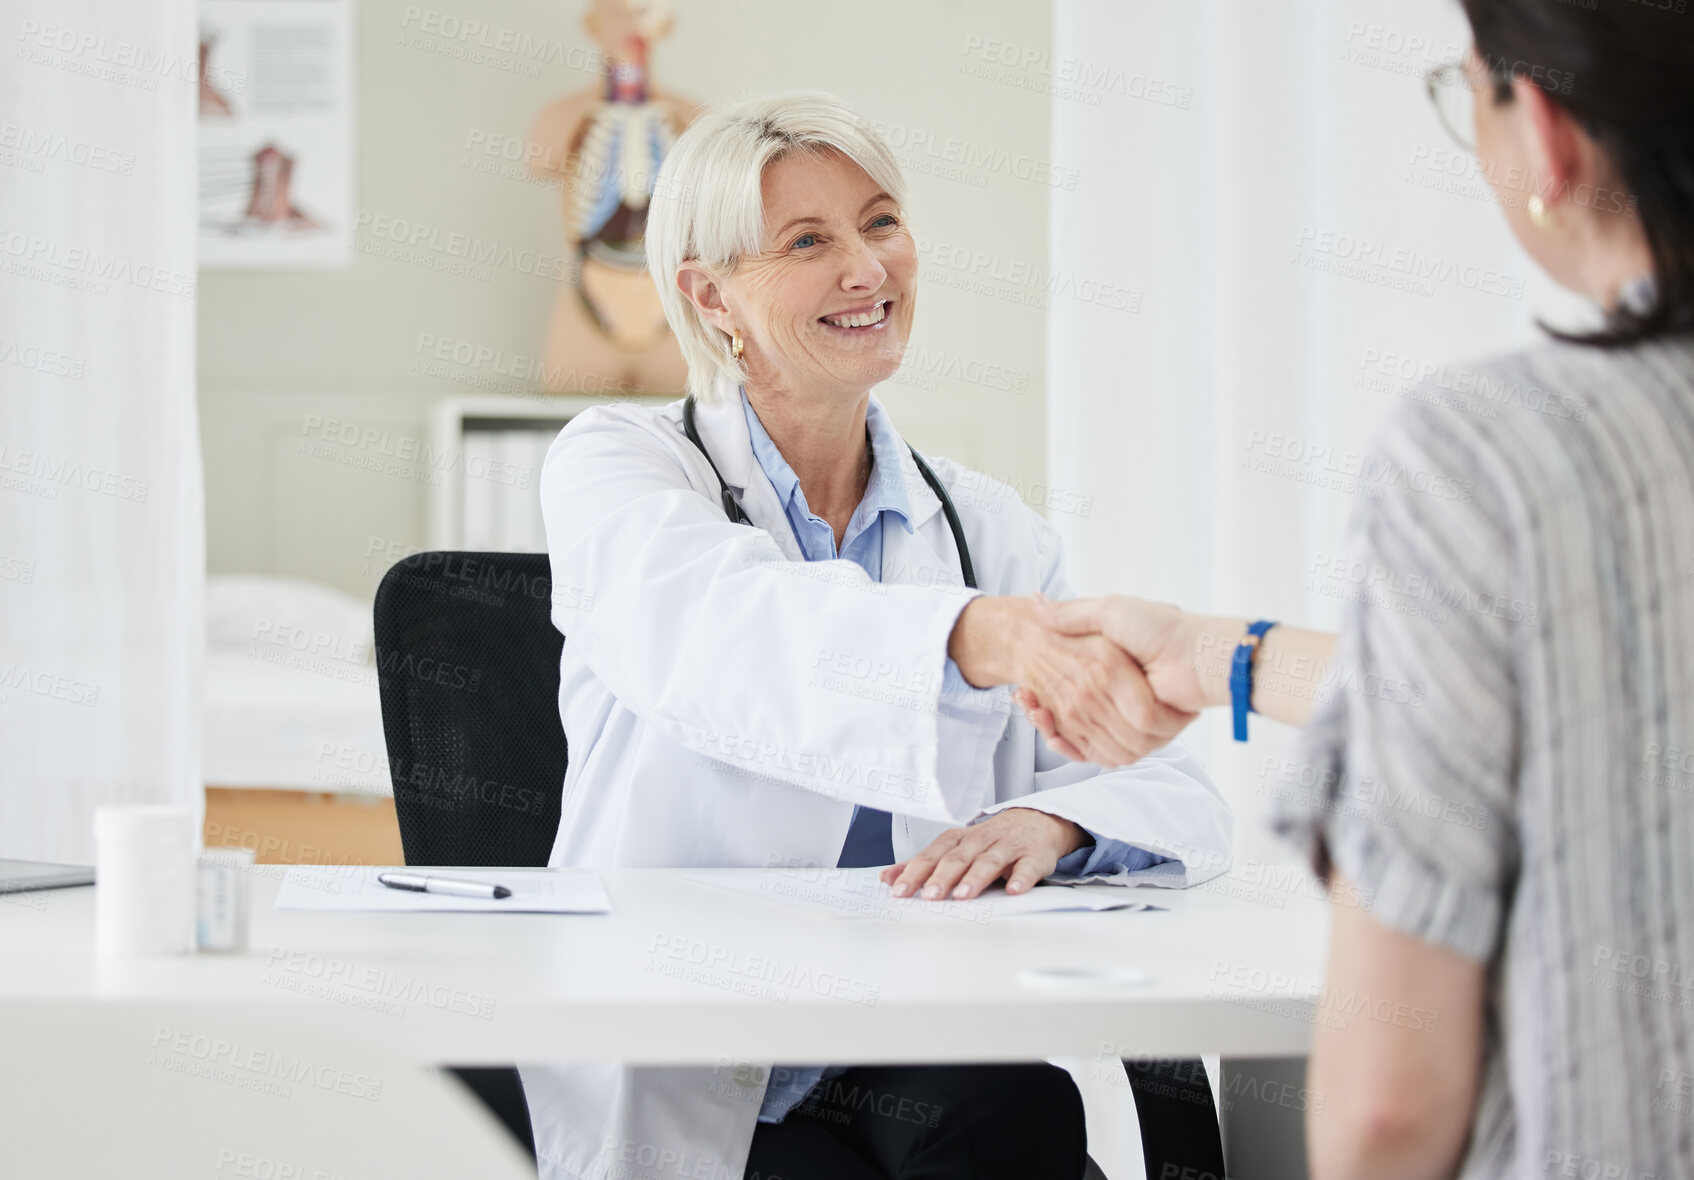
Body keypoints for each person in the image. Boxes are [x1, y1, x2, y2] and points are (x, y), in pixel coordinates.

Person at [1015, 3, 1694, 1177]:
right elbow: (1567, 692)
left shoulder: (1491, 450)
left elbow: (1388, 1104)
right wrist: (1209, 652)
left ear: (1540, 131)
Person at [520, 92, 1234, 1180]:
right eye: (808, 242)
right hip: (711, 1048)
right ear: (710, 296)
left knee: (1015, 1113)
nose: (867, 269)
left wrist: (1052, 817)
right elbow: (726, 633)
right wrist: (971, 638)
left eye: (881, 222)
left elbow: (1170, 789)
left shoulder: (984, 527)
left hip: (928, 1041)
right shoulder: (619, 467)